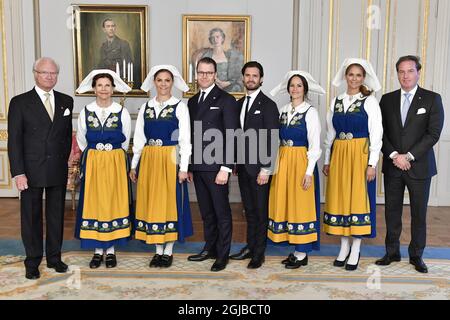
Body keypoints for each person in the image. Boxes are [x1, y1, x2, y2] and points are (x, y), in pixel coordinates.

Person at [375, 55, 444, 273]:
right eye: (401, 72)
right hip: (393, 165)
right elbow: (380, 132)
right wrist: (395, 155)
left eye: (410, 71)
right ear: (397, 74)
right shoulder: (386, 100)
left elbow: (433, 134)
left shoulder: (432, 99)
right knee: (391, 212)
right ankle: (392, 252)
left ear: (418, 72)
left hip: (420, 167)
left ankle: (416, 256)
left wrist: (409, 156)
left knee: (418, 214)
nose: (406, 76)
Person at [8, 57, 73, 280]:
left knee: (56, 216)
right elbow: (14, 141)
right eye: (45, 73)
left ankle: (54, 258)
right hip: (30, 170)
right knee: (32, 218)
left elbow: (65, 137)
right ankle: (32, 261)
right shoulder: (19, 102)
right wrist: (18, 173)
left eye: (53, 73)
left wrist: (67, 162)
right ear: (35, 74)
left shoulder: (66, 101)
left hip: (56, 168)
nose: (49, 77)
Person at [130, 65, 193, 268]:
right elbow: (139, 138)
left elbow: (185, 140)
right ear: (154, 82)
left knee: (169, 202)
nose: (163, 84)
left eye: (167, 80)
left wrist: (183, 167)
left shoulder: (180, 107)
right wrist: (134, 165)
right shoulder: (146, 107)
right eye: (160, 80)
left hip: (170, 158)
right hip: (149, 159)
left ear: (172, 83)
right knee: (152, 202)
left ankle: (168, 250)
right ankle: (157, 250)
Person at [323, 58, 383, 271]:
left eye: (359, 75)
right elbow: (330, 133)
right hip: (339, 153)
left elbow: (376, 134)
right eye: (351, 74)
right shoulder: (336, 101)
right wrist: (328, 160)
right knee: (340, 197)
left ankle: (356, 248)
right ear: (345, 76)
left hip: (360, 154)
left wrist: (372, 164)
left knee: (358, 199)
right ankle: (343, 246)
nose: (354, 78)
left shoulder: (369, 101)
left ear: (363, 78)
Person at [74, 70, 132, 269]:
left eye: (108, 85)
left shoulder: (121, 111)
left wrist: (112, 156)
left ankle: (111, 251)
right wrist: (96, 156)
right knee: (95, 202)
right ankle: (98, 251)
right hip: (93, 162)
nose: (104, 89)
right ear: (94, 88)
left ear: (113, 88)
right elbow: (82, 141)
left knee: (113, 202)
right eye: (100, 85)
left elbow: (125, 139)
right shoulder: (86, 111)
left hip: (114, 162)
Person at [187, 57, 240, 272]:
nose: (205, 76)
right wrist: (190, 166)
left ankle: (222, 254)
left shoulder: (227, 100)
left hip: (217, 167)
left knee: (221, 212)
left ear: (215, 74)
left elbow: (232, 136)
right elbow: (191, 137)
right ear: (196, 74)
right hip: (199, 166)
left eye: (209, 73)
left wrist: (226, 168)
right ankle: (209, 248)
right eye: (201, 72)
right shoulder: (191, 102)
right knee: (206, 212)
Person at [268, 71, 324, 269]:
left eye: (299, 85)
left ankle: (302, 252)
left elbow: (315, 145)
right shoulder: (283, 110)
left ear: (305, 89)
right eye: (292, 85)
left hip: (301, 161)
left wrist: (309, 171)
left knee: (301, 205)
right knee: (287, 203)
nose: (295, 89)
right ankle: (295, 249)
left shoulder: (311, 112)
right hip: (284, 160)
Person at [229, 61, 279, 269]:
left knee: (260, 211)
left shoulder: (268, 105)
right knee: (248, 210)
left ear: (261, 79)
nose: (250, 79)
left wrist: (266, 169)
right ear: (243, 78)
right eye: (247, 75)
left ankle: (259, 253)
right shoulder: (239, 104)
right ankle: (250, 246)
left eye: (255, 76)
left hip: (260, 170)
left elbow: (272, 138)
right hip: (243, 168)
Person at [191, 27, 244, 92]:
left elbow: (236, 77)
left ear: (222, 38)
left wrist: (226, 83)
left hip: (228, 87)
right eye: (213, 38)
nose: (215, 40)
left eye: (217, 37)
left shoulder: (231, 56)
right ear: (210, 40)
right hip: (210, 87)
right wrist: (217, 82)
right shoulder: (205, 56)